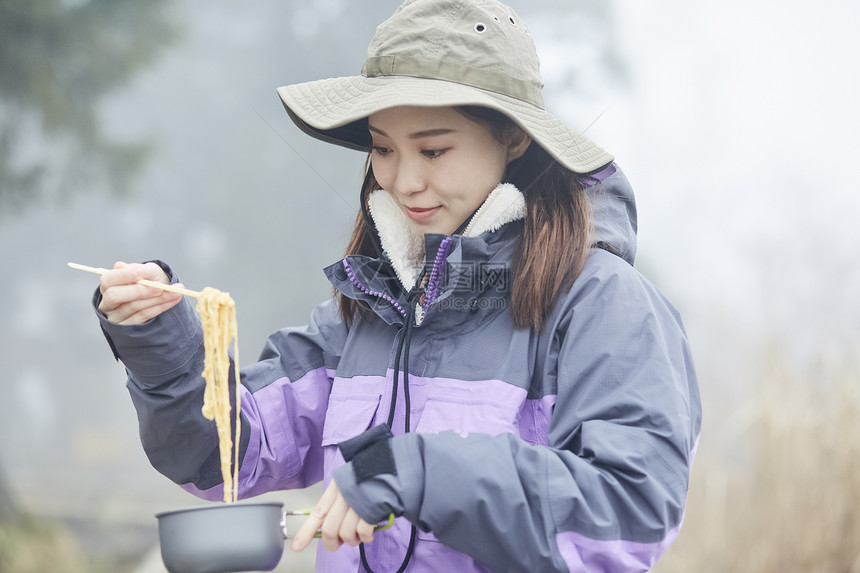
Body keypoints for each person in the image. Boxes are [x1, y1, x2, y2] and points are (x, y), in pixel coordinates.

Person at [92, 0, 702, 571]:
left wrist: (419, 473)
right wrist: (157, 342)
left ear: (513, 140)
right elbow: (223, 460)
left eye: (433, 150)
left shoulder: (604, 303)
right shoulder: (367, 311)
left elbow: (628, 517)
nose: (403, 181)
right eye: (383, 149)